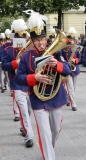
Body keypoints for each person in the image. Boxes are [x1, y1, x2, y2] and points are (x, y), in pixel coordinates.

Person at [15, 10, 71, 159]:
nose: (41, 42)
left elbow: (68, 70)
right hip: (38, 100)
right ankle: (48, 155)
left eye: (43, 39)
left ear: (46, 39)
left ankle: (48, 150)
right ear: (32, 42)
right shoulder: (27, 57)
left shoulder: (56, 53)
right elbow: (18, 78)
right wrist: (35, 78)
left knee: (56, 129)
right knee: (45, 134)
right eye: (37, 40)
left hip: (56, 98)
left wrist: (57, 64)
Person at [1, 19, 34, 147]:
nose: (21, 39)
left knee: (29, 110)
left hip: (29, 82)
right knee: (24, 111)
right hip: (15, 83)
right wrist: (17, 62)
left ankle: (22, 126)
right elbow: (4, 66)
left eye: (23, 36)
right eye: (19, 36)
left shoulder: (30, 47)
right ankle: (29, 136)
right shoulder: (6, 48)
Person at [62, 27, 81, 111]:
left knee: (73, 87)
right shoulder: (64, 49)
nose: (71, 40)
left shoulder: (77, 48)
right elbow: (61, 58)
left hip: (75, 69)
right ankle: (73, 104)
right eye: (69, 39)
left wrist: (76, 60)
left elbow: (81, 59)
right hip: (67, 69)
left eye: (72, 39)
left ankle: (67, 98)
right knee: (70, 87)